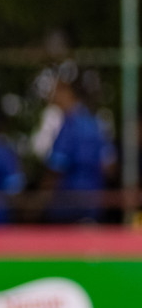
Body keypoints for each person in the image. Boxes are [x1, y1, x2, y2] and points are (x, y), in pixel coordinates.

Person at [44, 77, 116, 223]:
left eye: (56, 91)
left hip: (68, 204)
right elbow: (109, 167)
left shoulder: (69, 125)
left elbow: (57, 168)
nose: (52, 96)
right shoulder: (96, 123)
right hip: (93, 202)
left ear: (68, 93)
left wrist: (42, 200)